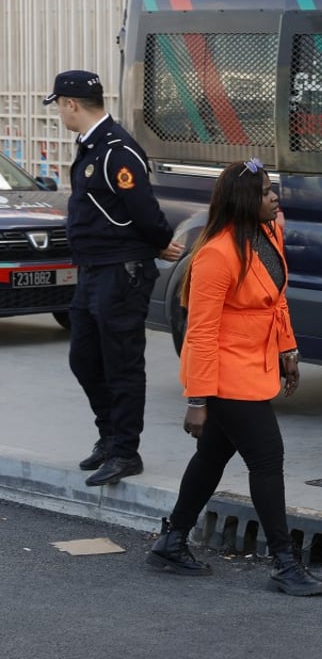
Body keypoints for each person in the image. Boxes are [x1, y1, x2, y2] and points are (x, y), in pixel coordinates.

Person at [146, 159, 322, 597]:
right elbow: (200, 333)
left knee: (211, 458)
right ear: (246, 200)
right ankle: (284, 563)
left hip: (253, 366)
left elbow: (275, 302)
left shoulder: (268, 234)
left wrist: (288, 349)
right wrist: (198, 400)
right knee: (267, 460)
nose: (274, 197)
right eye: (266, 191)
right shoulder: (214, 255)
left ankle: (172, 541)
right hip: (225, 375)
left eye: (272, 190)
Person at [45, 70, 183, 487]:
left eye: (60, 105)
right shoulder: (92, 147)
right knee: (84, 358)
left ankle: (125, 451)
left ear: (70, 104)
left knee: (121, 362)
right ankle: (108, 436)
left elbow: (144, 210)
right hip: (93, 270)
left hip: (120, 271)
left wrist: (159, 242)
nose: (59, 113)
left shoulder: (116, 150)